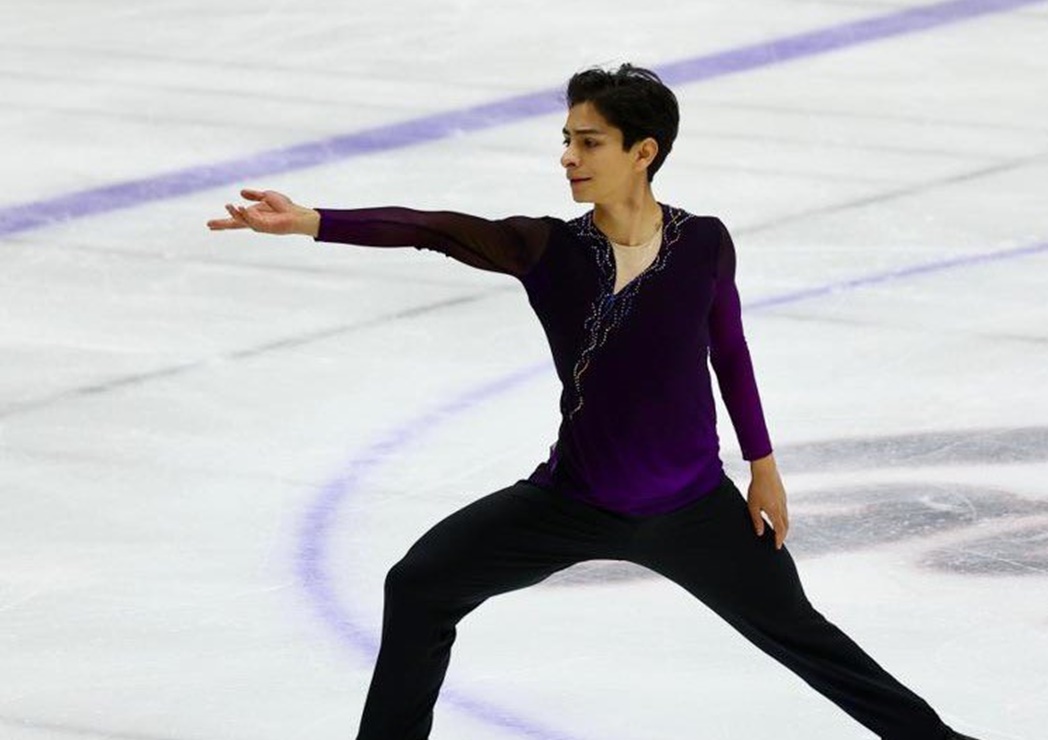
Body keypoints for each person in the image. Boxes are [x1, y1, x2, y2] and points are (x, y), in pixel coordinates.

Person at [208, 64, 979, 740]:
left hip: (693, 508)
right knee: (416, 586)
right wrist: (313, 222)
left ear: (642, 152)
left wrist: (764, 469)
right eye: (567, 139)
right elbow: (434, 229)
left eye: (589, 141)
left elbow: (729, 353)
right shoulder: (547, 249)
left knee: (803, 637)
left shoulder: (704, 242)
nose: (568, 157)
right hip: (569, 502)